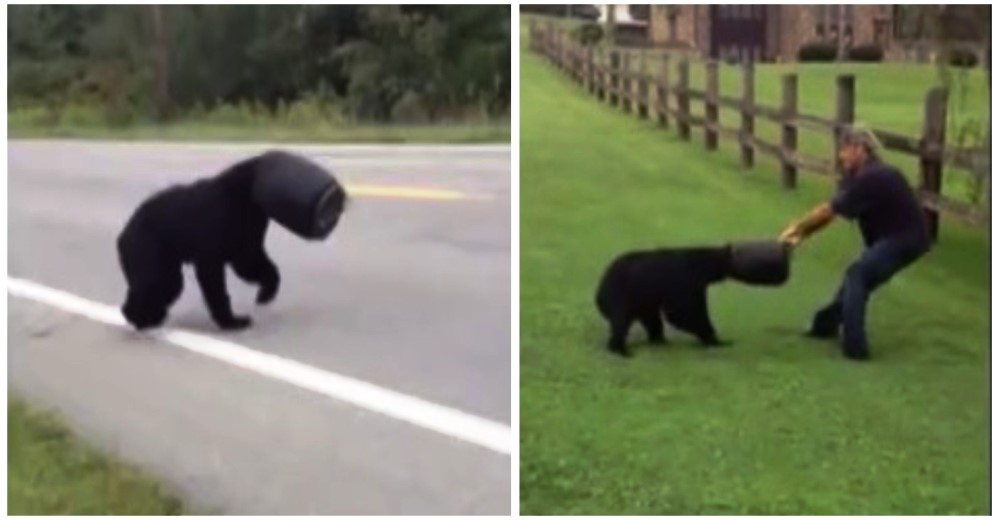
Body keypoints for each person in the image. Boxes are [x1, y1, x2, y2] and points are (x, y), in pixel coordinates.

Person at [778, 126, 932, 361]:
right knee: (857, 281)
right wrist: (801, 235)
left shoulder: (874, 176)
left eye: (845, 150)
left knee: (857, 275)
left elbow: (827, 212)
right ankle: (824, 326)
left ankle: (855, 348)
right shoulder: (857, 177)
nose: (841, 156)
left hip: (905, 239)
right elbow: (835, 208)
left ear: (860, 149)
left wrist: (797, 229)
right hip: (896, 238)